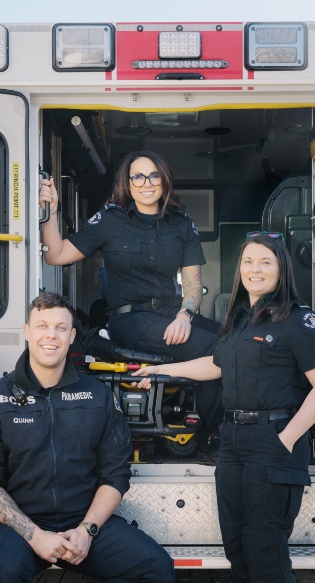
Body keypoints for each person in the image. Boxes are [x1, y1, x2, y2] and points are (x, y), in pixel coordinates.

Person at [134, 233, 315, 583]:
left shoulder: (297, 319)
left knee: (265, 553)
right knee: (237, 548)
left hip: (273, 441)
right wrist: (161, 369)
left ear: (281, 270)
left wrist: (285, 439)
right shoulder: (239, 318)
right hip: (233, 443)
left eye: (265, 262)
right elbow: (216, 365)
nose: (254, 269)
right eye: (248, 261)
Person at [0, 292, 174, 583]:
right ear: (27, 331)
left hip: (82, 524)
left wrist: (87, 531)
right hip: (18, 529)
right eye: (42, 326)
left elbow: (115, 474)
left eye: (60, 328)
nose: (51, 336)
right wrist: (35, 536)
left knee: (155, 567)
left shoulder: (98, 395)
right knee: (3, 573)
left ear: (72, 335)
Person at [39, 150, 223, 460]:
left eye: (153, 175)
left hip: (172, 314)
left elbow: (192, 285)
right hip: (132, 321)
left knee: (236, 343)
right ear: (127, 183)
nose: (146, 183)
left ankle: (172, 380)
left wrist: (185, 315)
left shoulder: (182, 224)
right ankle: (207, 437)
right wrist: (52, 211)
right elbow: (56, 255)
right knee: (216, 352)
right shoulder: (110, 220)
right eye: (137, 176)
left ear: (164, 180)